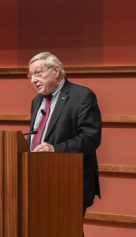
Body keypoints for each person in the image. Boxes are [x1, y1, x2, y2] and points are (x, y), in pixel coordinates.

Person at [27, 51, 102, 213]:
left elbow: (90, 138)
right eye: (30, 75)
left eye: (38, 73)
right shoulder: (37, 101)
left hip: (69, 181)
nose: (33, 80)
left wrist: (55, 149)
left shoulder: (81, 96)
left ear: (55, 71)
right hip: (38, 180)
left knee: (67, 236)